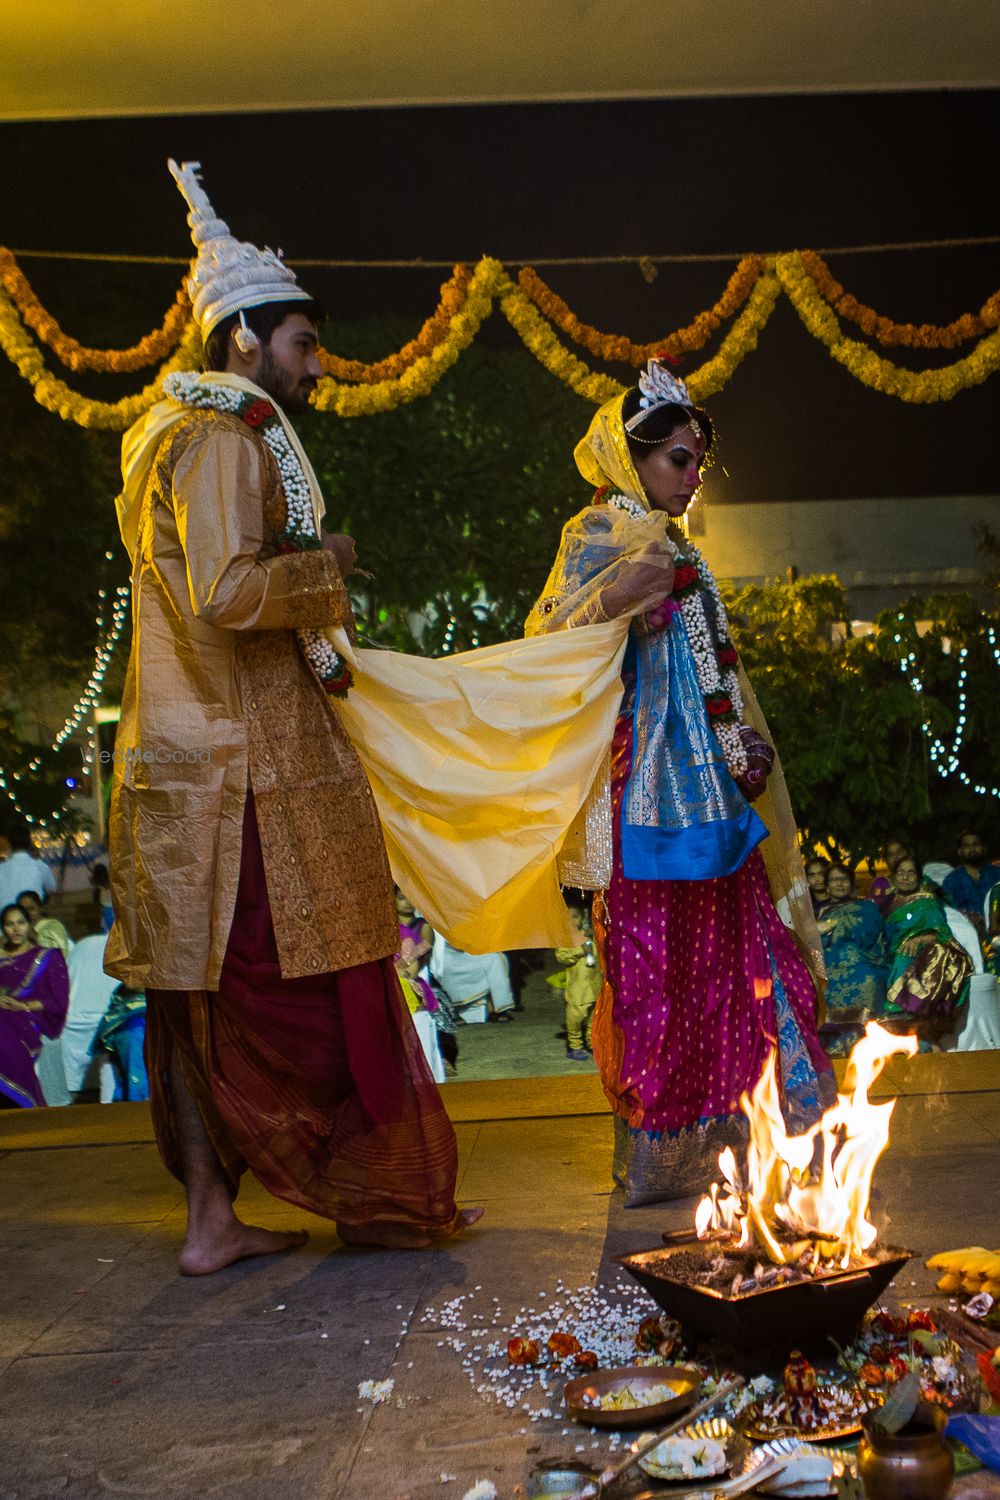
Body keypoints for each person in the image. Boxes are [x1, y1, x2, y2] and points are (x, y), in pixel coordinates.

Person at [105, 160, 477, 1270]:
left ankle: (211, 1220)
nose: (319, 367)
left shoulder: (155, 438)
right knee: (317, 990)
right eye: (304, 345)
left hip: (177, 757)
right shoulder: (224, 437)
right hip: (243, 768)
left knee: (200, 1000)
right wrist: (325, 563)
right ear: (242, 342)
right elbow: (226, 593)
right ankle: (367, 1189)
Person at [526, 359, 833, 1203]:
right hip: (645, 802)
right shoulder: (597, 535)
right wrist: (616, 597)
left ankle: (758, 1136)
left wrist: (741, 748)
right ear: (632, 460)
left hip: (715, 799)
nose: (693, 478)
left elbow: (715, 673)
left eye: (698, 462)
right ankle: (667, 1159)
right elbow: (546, 637)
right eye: (678, 461)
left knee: (742, 962)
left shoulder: (678, 543)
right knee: (655, 971)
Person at [883, 854, 972, 1046]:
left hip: (923, 951)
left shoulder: (928, 902)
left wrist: (918, 939)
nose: (905, 877)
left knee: (903, 957)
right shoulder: (887, 904)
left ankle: (901, 1010)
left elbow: (942, 933)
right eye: (901, 873)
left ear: (919, 877)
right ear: (893, 877)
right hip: (889, 953)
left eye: (911, 873)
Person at [0, 902, 70, 1107]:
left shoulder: (48, 956)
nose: (15, 929)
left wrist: (22, 1006)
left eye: (20, 922)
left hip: (30, 1016)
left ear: (29, 925)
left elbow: (58, 1001)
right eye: (9, 924)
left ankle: (21, 1097)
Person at [814, 863, 887, 1056]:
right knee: (820, 986)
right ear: (827, 886)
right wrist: (823, 928)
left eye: (843, 879)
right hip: (830, 967)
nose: (839, 884)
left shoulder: (867, 907)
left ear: (851, 883)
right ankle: (835, 1055)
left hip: (861, 962)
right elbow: (816, 943)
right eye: (834, 880)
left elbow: (871, 934)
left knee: (867, 979)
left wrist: (837, 926)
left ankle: (865, 1054)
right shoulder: (822, 913)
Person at [554, 900, 601, 1061]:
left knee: (593, 1020)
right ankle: (575, 1046)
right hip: (577, 989)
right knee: (575, 1018)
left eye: (576, 917)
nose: (573, 920)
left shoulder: (590, 934)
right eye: (569, 917)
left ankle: (591, 1044)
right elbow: (561, 956)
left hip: (594, 986)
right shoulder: (566, 939)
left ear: (582, 918)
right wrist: (579, 951)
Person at [941, 830, 1000, 934]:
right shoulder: (951, 880)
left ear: (984, 849)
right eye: (967, 846)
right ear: (960, 851)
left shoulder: (997, 874)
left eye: (976, 844)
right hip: (967, 934)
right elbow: (948, 912)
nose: (972, 849)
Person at [0, 827, 55, 911]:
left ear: (9, 844)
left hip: (5, 919)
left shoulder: (2, 868)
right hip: (31, 920)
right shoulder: (40, 866)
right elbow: (51, 888)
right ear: (29, 844)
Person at [868, 838, 913, 909]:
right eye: (890, 855)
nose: (896, 857)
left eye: (899, 852)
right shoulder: (880, 884)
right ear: (886, 861)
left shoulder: (922, 881)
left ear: (909, 853)